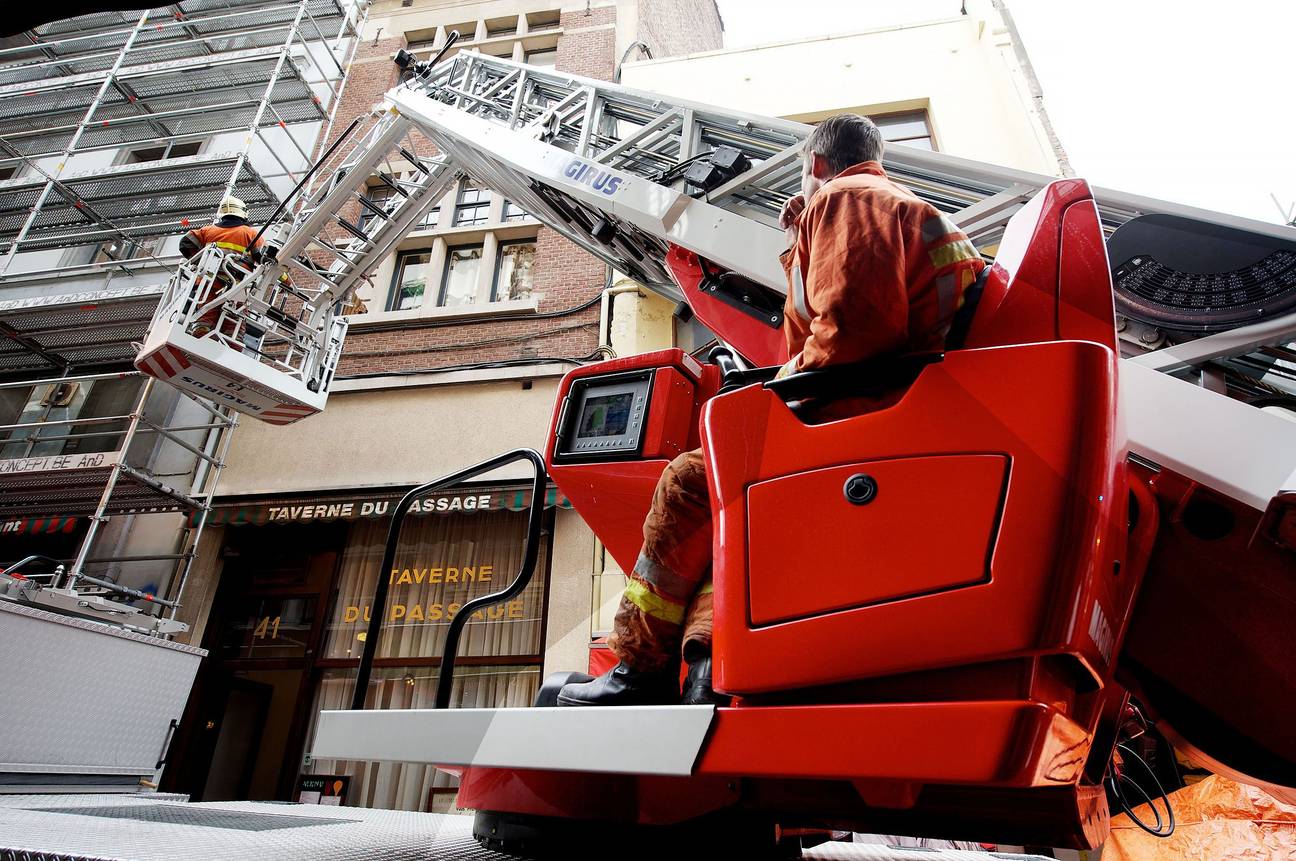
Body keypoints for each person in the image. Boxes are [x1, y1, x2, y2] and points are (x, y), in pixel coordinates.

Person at [557, 114, 986, 707]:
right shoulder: (891, 205)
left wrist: (773, 392)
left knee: (686, 483)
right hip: (900, 412)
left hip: (860, 415)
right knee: (731, 509)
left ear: (813, 166)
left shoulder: (847, 199)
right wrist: (801, 242)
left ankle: (639, 666)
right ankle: (706, 665)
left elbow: (852, 332)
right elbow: (854, 306)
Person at [178, 195, 267, 346]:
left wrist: (200, 260)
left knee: (204, 314)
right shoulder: (250, 233)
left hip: (208, 280)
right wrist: (285, 280)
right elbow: (263, 258)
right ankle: (230, 348)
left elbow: (185, 243)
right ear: (242, 212)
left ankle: (199, 343)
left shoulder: (207, 231)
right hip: (237, 285)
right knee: (233, 321)